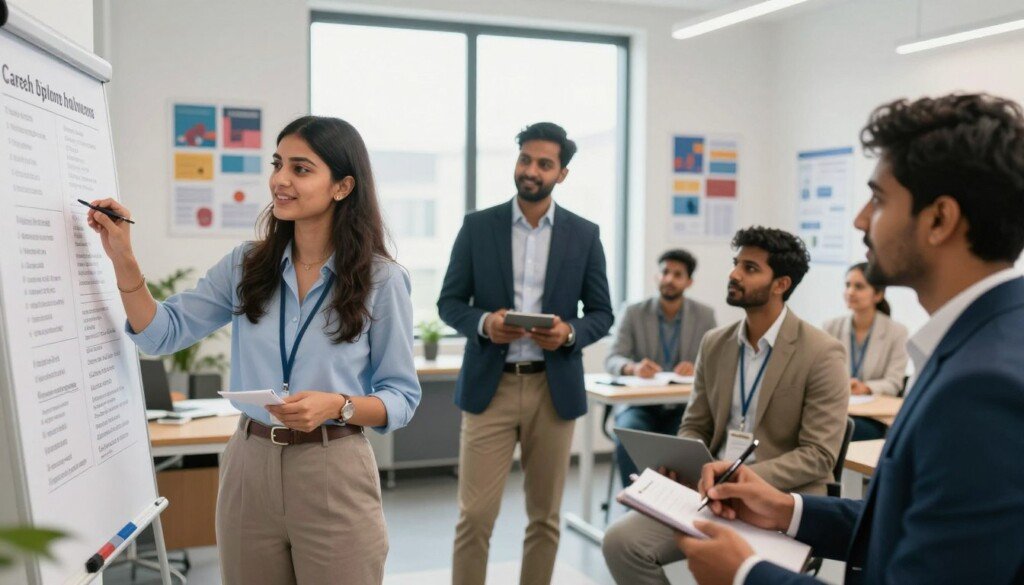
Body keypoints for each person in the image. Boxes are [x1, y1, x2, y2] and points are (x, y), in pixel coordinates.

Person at [675, 93, 1024, 585]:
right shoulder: (984, 340)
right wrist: (786, 510)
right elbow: (905, 521)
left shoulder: (983, 386)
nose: (860, 219)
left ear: (939, 220)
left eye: (878, 199)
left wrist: (747, 574)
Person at [87, 116, 422, 585]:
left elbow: (401, 398)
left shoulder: (382, 280)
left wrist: (339, 405)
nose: (280, 179)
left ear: (343, 187)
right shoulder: (247, 264)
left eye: (301, 169)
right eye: (278, 163)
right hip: (249, 463)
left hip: (333, 466)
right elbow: (161, 333)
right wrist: (123, 256)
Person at [602, 226, 848, 585]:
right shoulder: (714, 344)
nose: (733, 274)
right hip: (712, 490)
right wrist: (682, 462)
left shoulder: (822, 352)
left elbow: (818, 455)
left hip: (778, 498)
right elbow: (695, 425)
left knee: (739, 572)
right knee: (620, 542)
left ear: (781, 284)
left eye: (750, 268)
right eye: (736, 264)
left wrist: (738, 477)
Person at [437, 122, 613, 585]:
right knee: (474, 516)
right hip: (489, 388)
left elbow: (601, 313)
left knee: (545, 517)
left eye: (544, 163)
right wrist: (484, 323)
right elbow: (449, 302)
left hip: (552, 388)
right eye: (525, 159)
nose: (531, 170)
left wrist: (569, 334)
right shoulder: (478, 227)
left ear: (562, 173)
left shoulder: (584, 234)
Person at [605, 248, 717, 488]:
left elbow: (717, 362)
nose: (669, 279)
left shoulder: (705, 316)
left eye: (678, 274)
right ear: (657, 276)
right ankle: (635, 501)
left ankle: (674, 503)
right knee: (628, 432)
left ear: (689, 282)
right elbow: (613, 358)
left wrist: (697, 367)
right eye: (665, 272)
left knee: (687, 440)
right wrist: (632, 368)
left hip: (681, 406)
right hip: (639, 404)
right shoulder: (633, 312)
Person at [823, 262, 909, 441]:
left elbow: (894, 382)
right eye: (848, 285)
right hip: (836, 407)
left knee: (847, 430)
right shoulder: (830, 327)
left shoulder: (897, 332)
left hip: (872, 415)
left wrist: (866, 387)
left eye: (859, 286)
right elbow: (821, 374)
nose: (850, 292)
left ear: (878, 295)